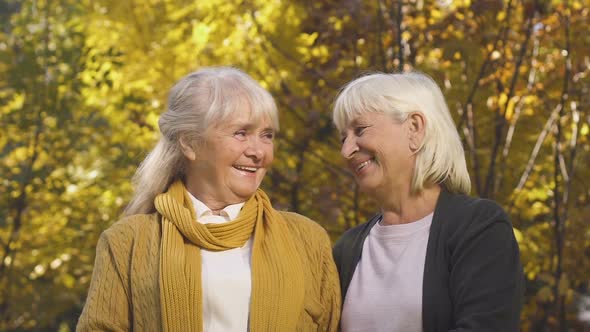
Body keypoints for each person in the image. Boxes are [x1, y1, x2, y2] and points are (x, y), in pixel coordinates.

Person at [77, 67, 340, 332]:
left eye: (267, 135)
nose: (259, 151)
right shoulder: (126, 242)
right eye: (241, 133)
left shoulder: (307, 240)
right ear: (189, 143)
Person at [332, 71, 524, 332]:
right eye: (343, 138)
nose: (346, 150)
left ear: (414, 128)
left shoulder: (479, 227)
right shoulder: (346, 249)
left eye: (360, 130)